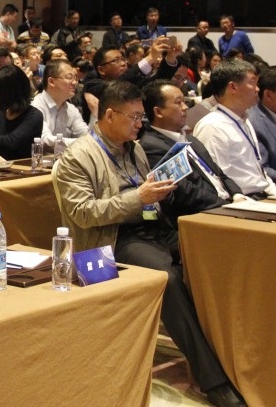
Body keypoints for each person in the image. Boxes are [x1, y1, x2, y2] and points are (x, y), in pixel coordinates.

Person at [55, 81, 245, 407]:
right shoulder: (78, 156)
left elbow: (146, 195)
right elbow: (84, 214)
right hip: (112, 239)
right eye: (133, 118)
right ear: (110, 115)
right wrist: (138, 197)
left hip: (153, 226)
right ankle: (213, 380)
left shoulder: (135, 148)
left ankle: (239, 359)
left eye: (141, 117)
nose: (139, 125)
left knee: (214, 253)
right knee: (167, 278)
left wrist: (159, 193)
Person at [140, 81, 246, 227]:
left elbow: (218, 173)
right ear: (158, 112)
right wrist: (227, 205)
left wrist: (237, 195)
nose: (185, 107)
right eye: (178, 103)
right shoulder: (151, 146)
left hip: (226, 205)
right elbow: (184, 191)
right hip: (199, 216)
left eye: (184, 102)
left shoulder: (191, 139)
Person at [194, 60, 276, 198]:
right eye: (252, 83)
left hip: (262, 195)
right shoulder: (212, 126)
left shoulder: (244, 120)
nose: (257, 89)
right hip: (242, 201)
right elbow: (217, 181)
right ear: (233, 87)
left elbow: (259, 173)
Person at [0, 65, 44, 160]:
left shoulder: (34, 115)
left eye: (0, 94)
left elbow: (11, 142)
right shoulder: (2, 110)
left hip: (21, 166)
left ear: (12, 93)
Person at [30, 59, 89, 150]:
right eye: (69, 78)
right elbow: (45, 140)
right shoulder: (35, 107)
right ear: (51, 81)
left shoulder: (71, 109)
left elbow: (85, 134)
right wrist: (83, 142)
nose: (74, 82)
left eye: (75, 78)